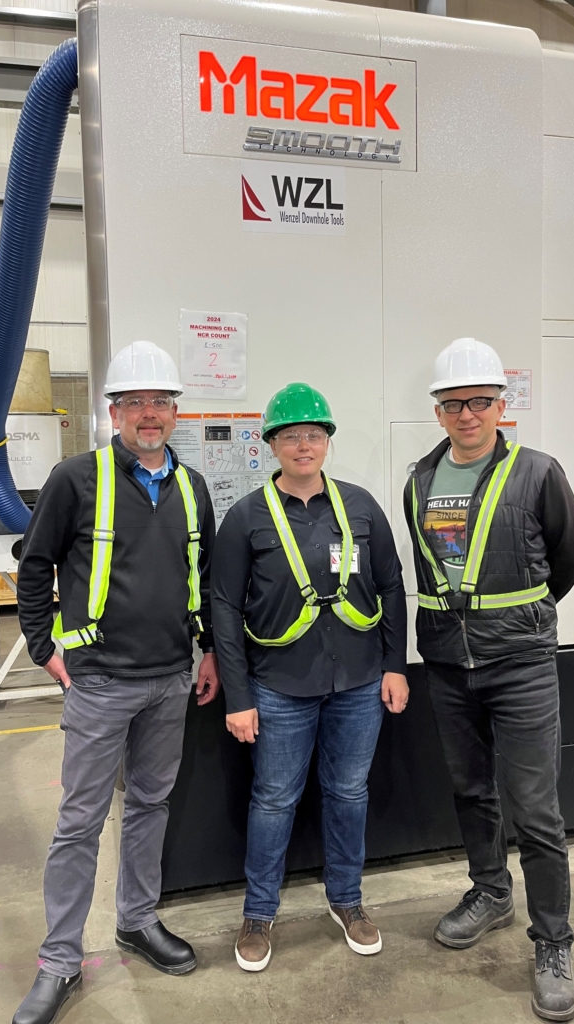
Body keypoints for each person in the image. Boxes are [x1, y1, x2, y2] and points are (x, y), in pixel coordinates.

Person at [13, 341, 219, 1024]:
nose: (149, 414)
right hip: (98, 683)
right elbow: (34, 566)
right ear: (114, 411)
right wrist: (45, 648)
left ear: (174, 411)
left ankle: (136, 921)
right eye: (135, 402)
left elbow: (206, 580)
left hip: (169, 678)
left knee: (150, 807)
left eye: (161, 401)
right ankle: (59, 961)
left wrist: (210, 652)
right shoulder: (76, 478)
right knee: (78, 823)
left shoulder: (192, 488)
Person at [403, 337, 574, 1022]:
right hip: (450, 665)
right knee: (470, 790)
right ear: (439, 409)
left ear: (501, 404)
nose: (467, 413)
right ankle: (490, 891)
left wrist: (524, 619)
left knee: (536, 810)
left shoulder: (538, 473)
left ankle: (554, 942)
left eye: (479, 400)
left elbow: (572, 558)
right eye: (454, 403)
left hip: (522, 667)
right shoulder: (419, 481)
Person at [211, 382, 409, 972]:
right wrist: (238, 696)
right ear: (272, 444)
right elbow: (222, 606)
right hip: (277, 688)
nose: (304, 445)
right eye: (292, 435)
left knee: (349, 793)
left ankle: (347, 901)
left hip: (357, 683)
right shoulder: (246, 516)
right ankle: (259, 913)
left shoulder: (362, 506)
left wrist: (395, 665)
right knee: (274, 799)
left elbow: (393, 587)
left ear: (327, 442)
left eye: (314, 435)